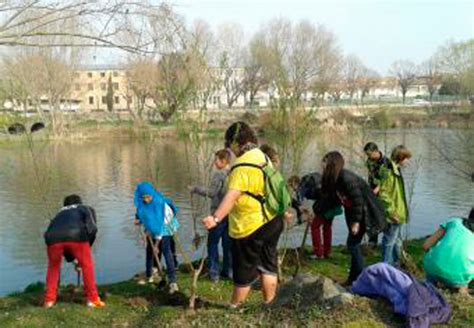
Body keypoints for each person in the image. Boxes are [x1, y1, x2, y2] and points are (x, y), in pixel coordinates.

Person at [202, 122, 285, 308]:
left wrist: (215, 218)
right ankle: (269, 304)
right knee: (268, 265)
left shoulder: (241, 165)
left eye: (228, 145)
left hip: (251, 225)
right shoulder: (263, 157)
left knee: (243, 272)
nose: (228, 150)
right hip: (273, 220)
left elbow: (232, 196)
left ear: (234, 143)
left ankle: (234, 307)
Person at [320, 151, 385, 285]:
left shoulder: (346, 177)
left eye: (325, 161)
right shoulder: (335, 178)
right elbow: (332, 199)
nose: (322, 164)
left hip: (364, 213)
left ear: (333, 163)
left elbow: (358, 201)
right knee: (353, 244)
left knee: (352, 245)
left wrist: (355, 222)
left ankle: (362, 279)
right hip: (354, 214)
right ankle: (353, 279)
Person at [43, 195, 104, 309]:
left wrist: (73, 258)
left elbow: (50, 233)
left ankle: (49, 301)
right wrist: (84, 250)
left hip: (51, 238)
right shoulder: (85, 208)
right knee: (87, 266)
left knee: (53, 268)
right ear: (79, 202)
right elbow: (93, 229)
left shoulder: (59, 213)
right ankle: (93, 300)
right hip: (77, 236)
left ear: (65, 205)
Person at [189, 149, 232, 282]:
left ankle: (214, 274)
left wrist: (195, 189)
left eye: (216, 160)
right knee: (227, 244)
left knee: (212, 243)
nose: (214, 162)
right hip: (230, 213)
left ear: (223, 161)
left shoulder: (219, 174)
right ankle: (228, 271)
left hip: (217, 215)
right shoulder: (234, 173)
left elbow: (212, 193)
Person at [134, 182, 180, 294]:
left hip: (165, 227)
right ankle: (150, 274)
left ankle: (173, 281)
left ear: (152, 195)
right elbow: (143, 214)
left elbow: (160, 226)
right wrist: (140, 221)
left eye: (148, 197)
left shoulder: (159, 204)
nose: (146, 200)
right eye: (143, 197)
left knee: (166, 251)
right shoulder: (142, 203)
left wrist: (156, 245)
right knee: (149, 251)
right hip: (153, 228)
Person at [289, 173, 342, 259]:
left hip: (326, 204)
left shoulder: (303, 187)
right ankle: (326, 252)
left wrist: (315, 212)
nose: (293, 189)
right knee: (327, 227)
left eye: (292, 186)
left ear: (295, 183)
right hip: (334, 203)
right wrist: (300, 218)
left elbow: (321, 198)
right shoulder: (309, 182)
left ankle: (318, 254)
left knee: (315, 226)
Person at [422, 209, 474, 294]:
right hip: (459, 276)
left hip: (433, 268)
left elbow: (426, 246)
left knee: (433, 262)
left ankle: (430, 284)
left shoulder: (454, 222)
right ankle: (462, 288)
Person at [378, 145, 411, 266]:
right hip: (393, 214)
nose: (408, 161)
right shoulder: (389, 171)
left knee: (397, 241)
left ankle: (397, 264)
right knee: (389, 241)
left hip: (398, 212)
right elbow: (384, 194)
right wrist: (391, 213)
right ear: (401, 157)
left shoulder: (396, 170)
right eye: (407, 158)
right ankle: (386, 266)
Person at [364, 142, 390, 247]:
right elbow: (370, 175)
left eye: (369, 154)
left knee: (384, 215)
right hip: (372, 190)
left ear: (376, 151)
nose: (368, 156)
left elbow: (387, 180)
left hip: (383, 193)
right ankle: (372, 241)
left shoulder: (386, 162)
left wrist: (378, 189)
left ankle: (387, 239)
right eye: (367, 154)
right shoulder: (369, 161)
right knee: (371, 215)